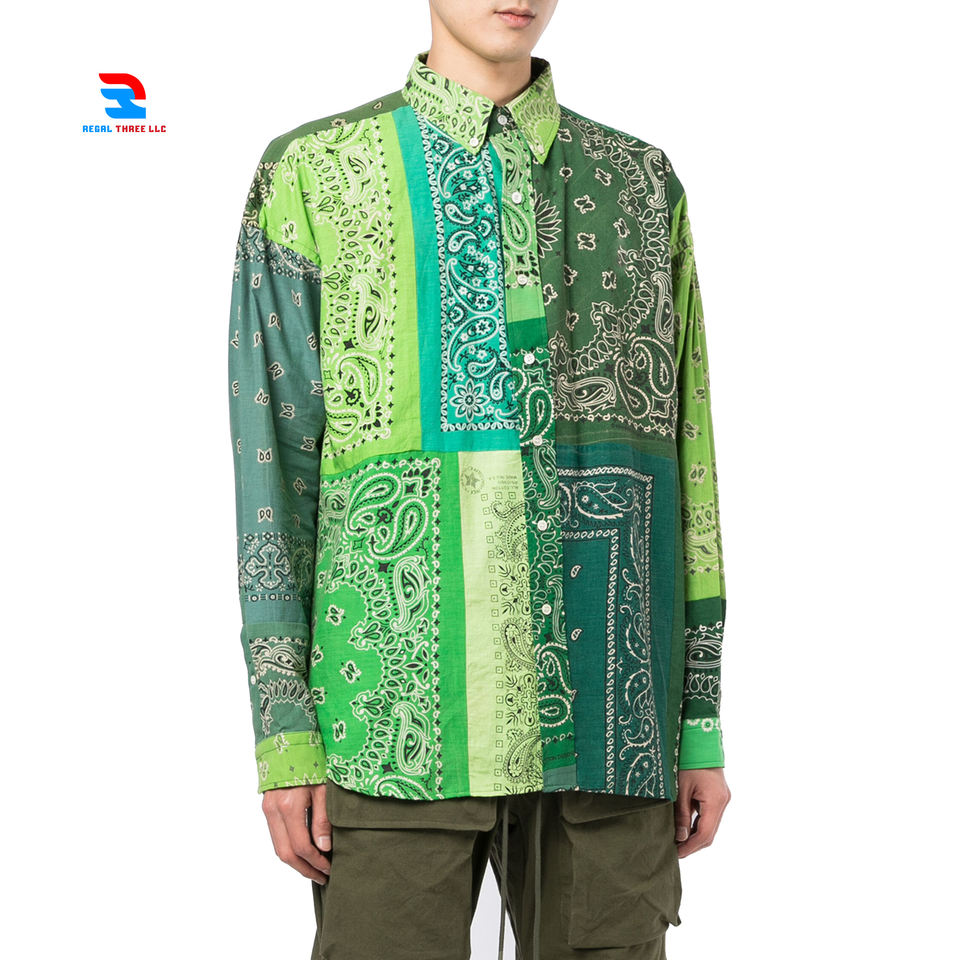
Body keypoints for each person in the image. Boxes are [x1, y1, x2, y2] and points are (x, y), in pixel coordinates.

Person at [227, 1, 732, 957]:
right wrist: (285, 732)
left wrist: (698, 720)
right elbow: (275, 472)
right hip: (393, 723)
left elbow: (687, 457)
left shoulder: (639, 181)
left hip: (613, 722)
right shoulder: (314, 171)